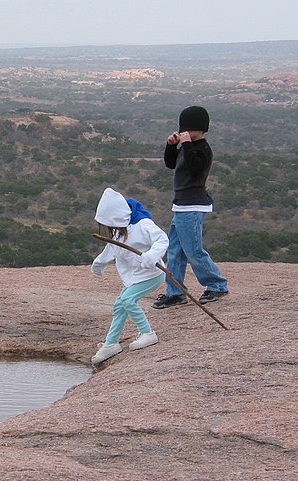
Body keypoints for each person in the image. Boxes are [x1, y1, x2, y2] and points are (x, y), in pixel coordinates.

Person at [152, 106, 229, 309]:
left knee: (193, 250)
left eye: (188, 129)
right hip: (181, 204)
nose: (184, 132)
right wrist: (171, 146)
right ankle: (175, 291)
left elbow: (196, 169)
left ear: (200, 129)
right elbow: (171, 164)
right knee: (175, 251)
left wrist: (186, 144)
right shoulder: (186, 147)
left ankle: (217, 285)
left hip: (193, 205)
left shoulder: (203, 149)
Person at [90, 188, 169, 366]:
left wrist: (151, 256)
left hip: (151, 274)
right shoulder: (119, 230)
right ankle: (111, 343)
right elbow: (112, 248)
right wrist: (100, 262)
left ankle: (148, 333)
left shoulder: (143, 224)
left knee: (128, 300)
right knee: (120, 305)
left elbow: (162, 239)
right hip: (134, 277)